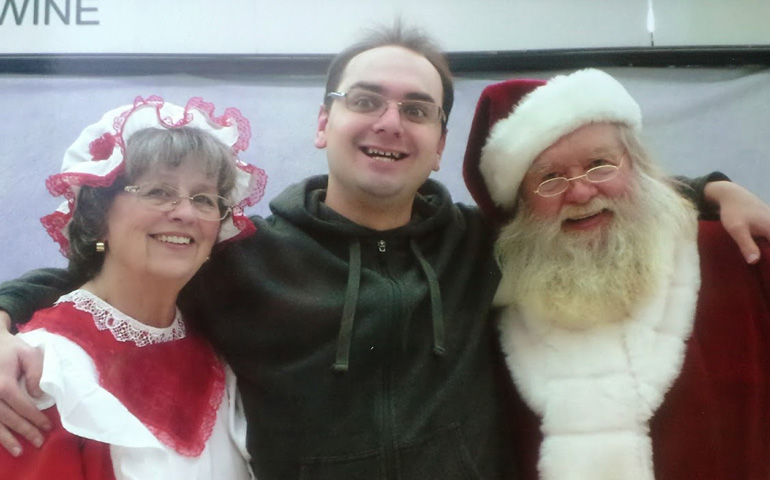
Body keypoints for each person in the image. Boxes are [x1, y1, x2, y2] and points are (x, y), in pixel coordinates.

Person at [1, 25, 769, 480]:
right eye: (365, 100)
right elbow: (103, 274)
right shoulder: (240, 255)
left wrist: (712, 187)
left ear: (438, 143)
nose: (389, 122)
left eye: (417, 109)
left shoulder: (484, 246)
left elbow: (588, 194)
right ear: (322, 123)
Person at [462, 68, 770, 480]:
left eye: (600, 164)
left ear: (636, 166)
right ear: (518, 202)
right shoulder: (488, 299)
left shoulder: (738, 255)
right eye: (549, 178)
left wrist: (716, 188)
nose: (581, 192)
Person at [0, 96, 267, 479]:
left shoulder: (221, 358)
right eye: (158, 191)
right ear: (98, 215)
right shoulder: (40, 368)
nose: (186, 213)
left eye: (205, 198)